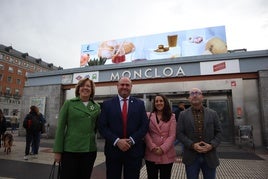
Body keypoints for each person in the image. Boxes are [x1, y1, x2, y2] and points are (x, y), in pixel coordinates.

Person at [98, 77, 149, 179]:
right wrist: (117, 141)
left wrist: (131, 140)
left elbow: (144, 126)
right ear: (117, 86)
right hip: (113, 151)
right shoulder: (107, 104)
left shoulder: (139, 104)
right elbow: (102, 126)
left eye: (127, 85)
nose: (124, 87)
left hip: (134, 151)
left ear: (131, 87)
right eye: (122, 84)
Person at [53, 78, 101, 179]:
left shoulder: (96, 107)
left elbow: (97, 127)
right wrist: (57, 151)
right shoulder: (69, 104)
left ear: (92, 90)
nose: (85, 88)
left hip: (89, 150)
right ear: (78, 89)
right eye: (82, 86)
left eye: (88, 86)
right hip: (70, 150)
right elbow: (60, 128)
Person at [177, 88, 222, 179]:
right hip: (191, 156)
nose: (194, 95)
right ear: (189, 98)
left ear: (202, 97)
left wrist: (211, 145)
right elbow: (179, 133)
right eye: (192, 93)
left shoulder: (213, 113)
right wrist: (192, 145)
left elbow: (219, 132)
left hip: (210, 155)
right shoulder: (183, 115)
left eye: (197, 93)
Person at [144, 94, 176, 179]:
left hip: (166, 153)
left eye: (161, 101)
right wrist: (152, 147)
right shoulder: (148, 116)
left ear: (165, 102)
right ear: (154, 104)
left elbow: (172, 135)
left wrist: (162, 148)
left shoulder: (172, 116)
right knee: (151, 177)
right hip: (151, 152)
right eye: (156, 101)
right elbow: (146, 133)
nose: (159, 103)